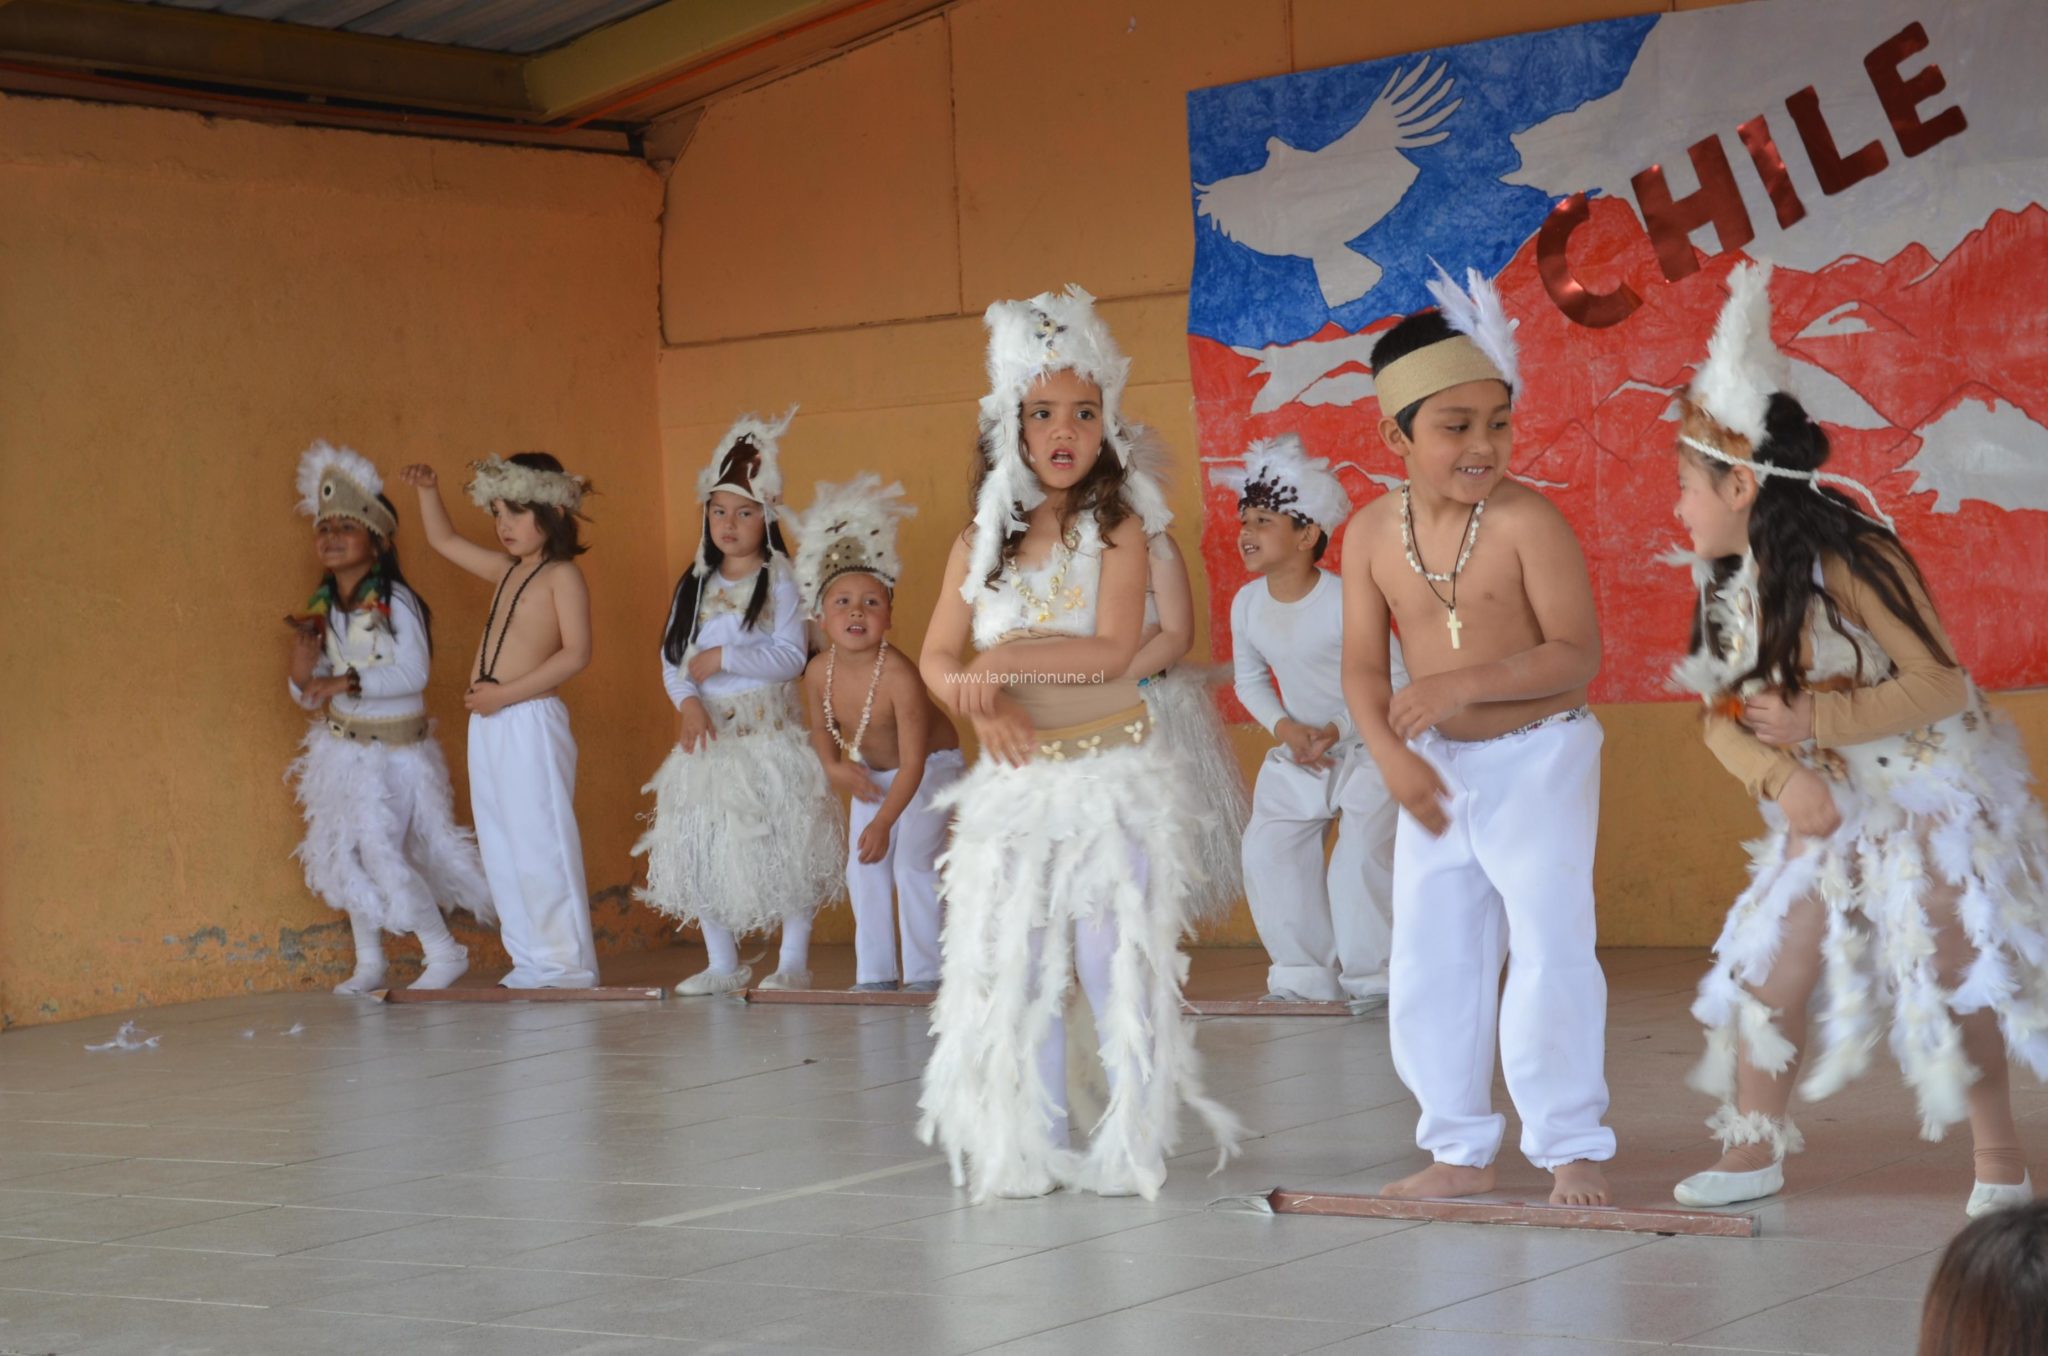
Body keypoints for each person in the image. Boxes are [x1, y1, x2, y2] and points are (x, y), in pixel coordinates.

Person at [1665, 262, 2043, 1217]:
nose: (1679, 510)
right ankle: (1753, 1150)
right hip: (1824, 793)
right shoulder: (1723, 584)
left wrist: (1817, 723)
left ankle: (2000, 1162)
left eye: (1688, 488)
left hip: (1924, 781)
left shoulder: (1854, 560)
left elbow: (1939, 683)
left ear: (1742, 483)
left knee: (1955, 968)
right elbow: (1718, 714)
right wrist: (1778, 776)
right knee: (1772, 963)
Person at [917, 285, 1241, 1201]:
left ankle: (1130, 1142)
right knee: (1019, 968)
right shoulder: (976, 543)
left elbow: (1109, 652)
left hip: (1107, 775)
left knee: (1110, 963)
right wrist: (979, 700)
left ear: (1108, 425)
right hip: (1014, 781)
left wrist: (1007, 659)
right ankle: (1036, 1144)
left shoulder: (1120, 527)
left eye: (1085, 413)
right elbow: (940, 657)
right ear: (1008, 425)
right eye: (1044, 413)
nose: (1066, 430)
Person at [1341, 266, 1615, 1207]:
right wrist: (1390, 758)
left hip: (1541, 754)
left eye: (1497, 422)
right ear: (1395, 435)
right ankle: (1458, 1146)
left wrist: (1464, 682)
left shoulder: (1529, 519)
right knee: (1433, 952)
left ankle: (1570, 1142)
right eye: (1454, 427)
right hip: (1434, 767)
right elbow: (1363, 672)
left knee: (1549, 945)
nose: (1482, 445)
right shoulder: (1370, 535)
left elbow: (1577, 655)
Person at [635, 410, 844, 995]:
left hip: (770, 738)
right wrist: (689, 703)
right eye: (719, 510)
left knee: (787, 845)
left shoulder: (780, 579)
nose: (730, 523)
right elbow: (673, 656)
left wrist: (724, 660)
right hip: (710, 739)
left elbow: (790, 656)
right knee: (703, 846)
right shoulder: (694, 582)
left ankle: (793, 962)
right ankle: (723, 964)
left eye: (746, 512)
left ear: (768, 517)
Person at [286, 441, 491, 994]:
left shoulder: (395, 601)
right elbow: (311, 692)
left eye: (345, 528)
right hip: (345, 749)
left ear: (375, 541)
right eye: (323, 528)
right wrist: (303, 672)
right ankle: (370, 962)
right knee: (349, 851)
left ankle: (444, 952)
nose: (330, 538)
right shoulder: (325, 605)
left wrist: (346, 681)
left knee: (384, 850)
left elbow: (413, 675)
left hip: (397, 756)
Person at [401, 452, 600, 988]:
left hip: (528, 717)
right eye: (496, 512)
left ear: (553, 511)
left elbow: (576, 653)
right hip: (490, 722)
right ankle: (530, 960)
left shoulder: (563, 576)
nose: (503, 524)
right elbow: (445, 542)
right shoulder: (507, 570)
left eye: (515, 511)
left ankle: (565, 965)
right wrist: (428, 489)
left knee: (540, 838)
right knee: (500, 841)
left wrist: (505, 694)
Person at [1226, 433, 1403, 1006]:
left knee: (1356, 861)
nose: (1246, 532)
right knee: (1268, 849)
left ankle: (1374, 979)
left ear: (1307, 534)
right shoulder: (1247, 604)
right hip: (1300, 752)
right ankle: (1303, 977)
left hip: (1368, 745)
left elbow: (1395, 680)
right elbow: (1249, 680)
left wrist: (1339, 729)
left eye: (1263, 521)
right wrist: (1285, 729)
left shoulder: (1348, 598)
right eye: (1244, 520)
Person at [795, 474, 962, 993]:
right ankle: (874, 975)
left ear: (889, 616)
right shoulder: (817, 672)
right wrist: (836, 767)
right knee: (864, 867)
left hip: (930, 768)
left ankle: (926, 973)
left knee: (911, 861)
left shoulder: (899, 677)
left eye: (871, 602)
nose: (856, 612)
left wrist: (885, 820)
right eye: (841, 602)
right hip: (871, 774)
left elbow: (913, 764)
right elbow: (821, 729)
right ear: (821, 618)